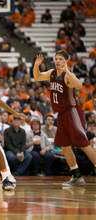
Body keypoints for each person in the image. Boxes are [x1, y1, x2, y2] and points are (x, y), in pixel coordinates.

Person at [33, 51, 96, 186]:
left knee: (83, 144)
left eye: (60, 59)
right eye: (56, 59)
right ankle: (77, 176)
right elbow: (37, 77)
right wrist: (36, 66)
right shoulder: (52, 73)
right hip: (61, 114)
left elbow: (79, 85)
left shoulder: (67, 76)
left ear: (66, 61)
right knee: (65, 146)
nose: (57, 61)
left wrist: (68, 71)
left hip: (72, 112)